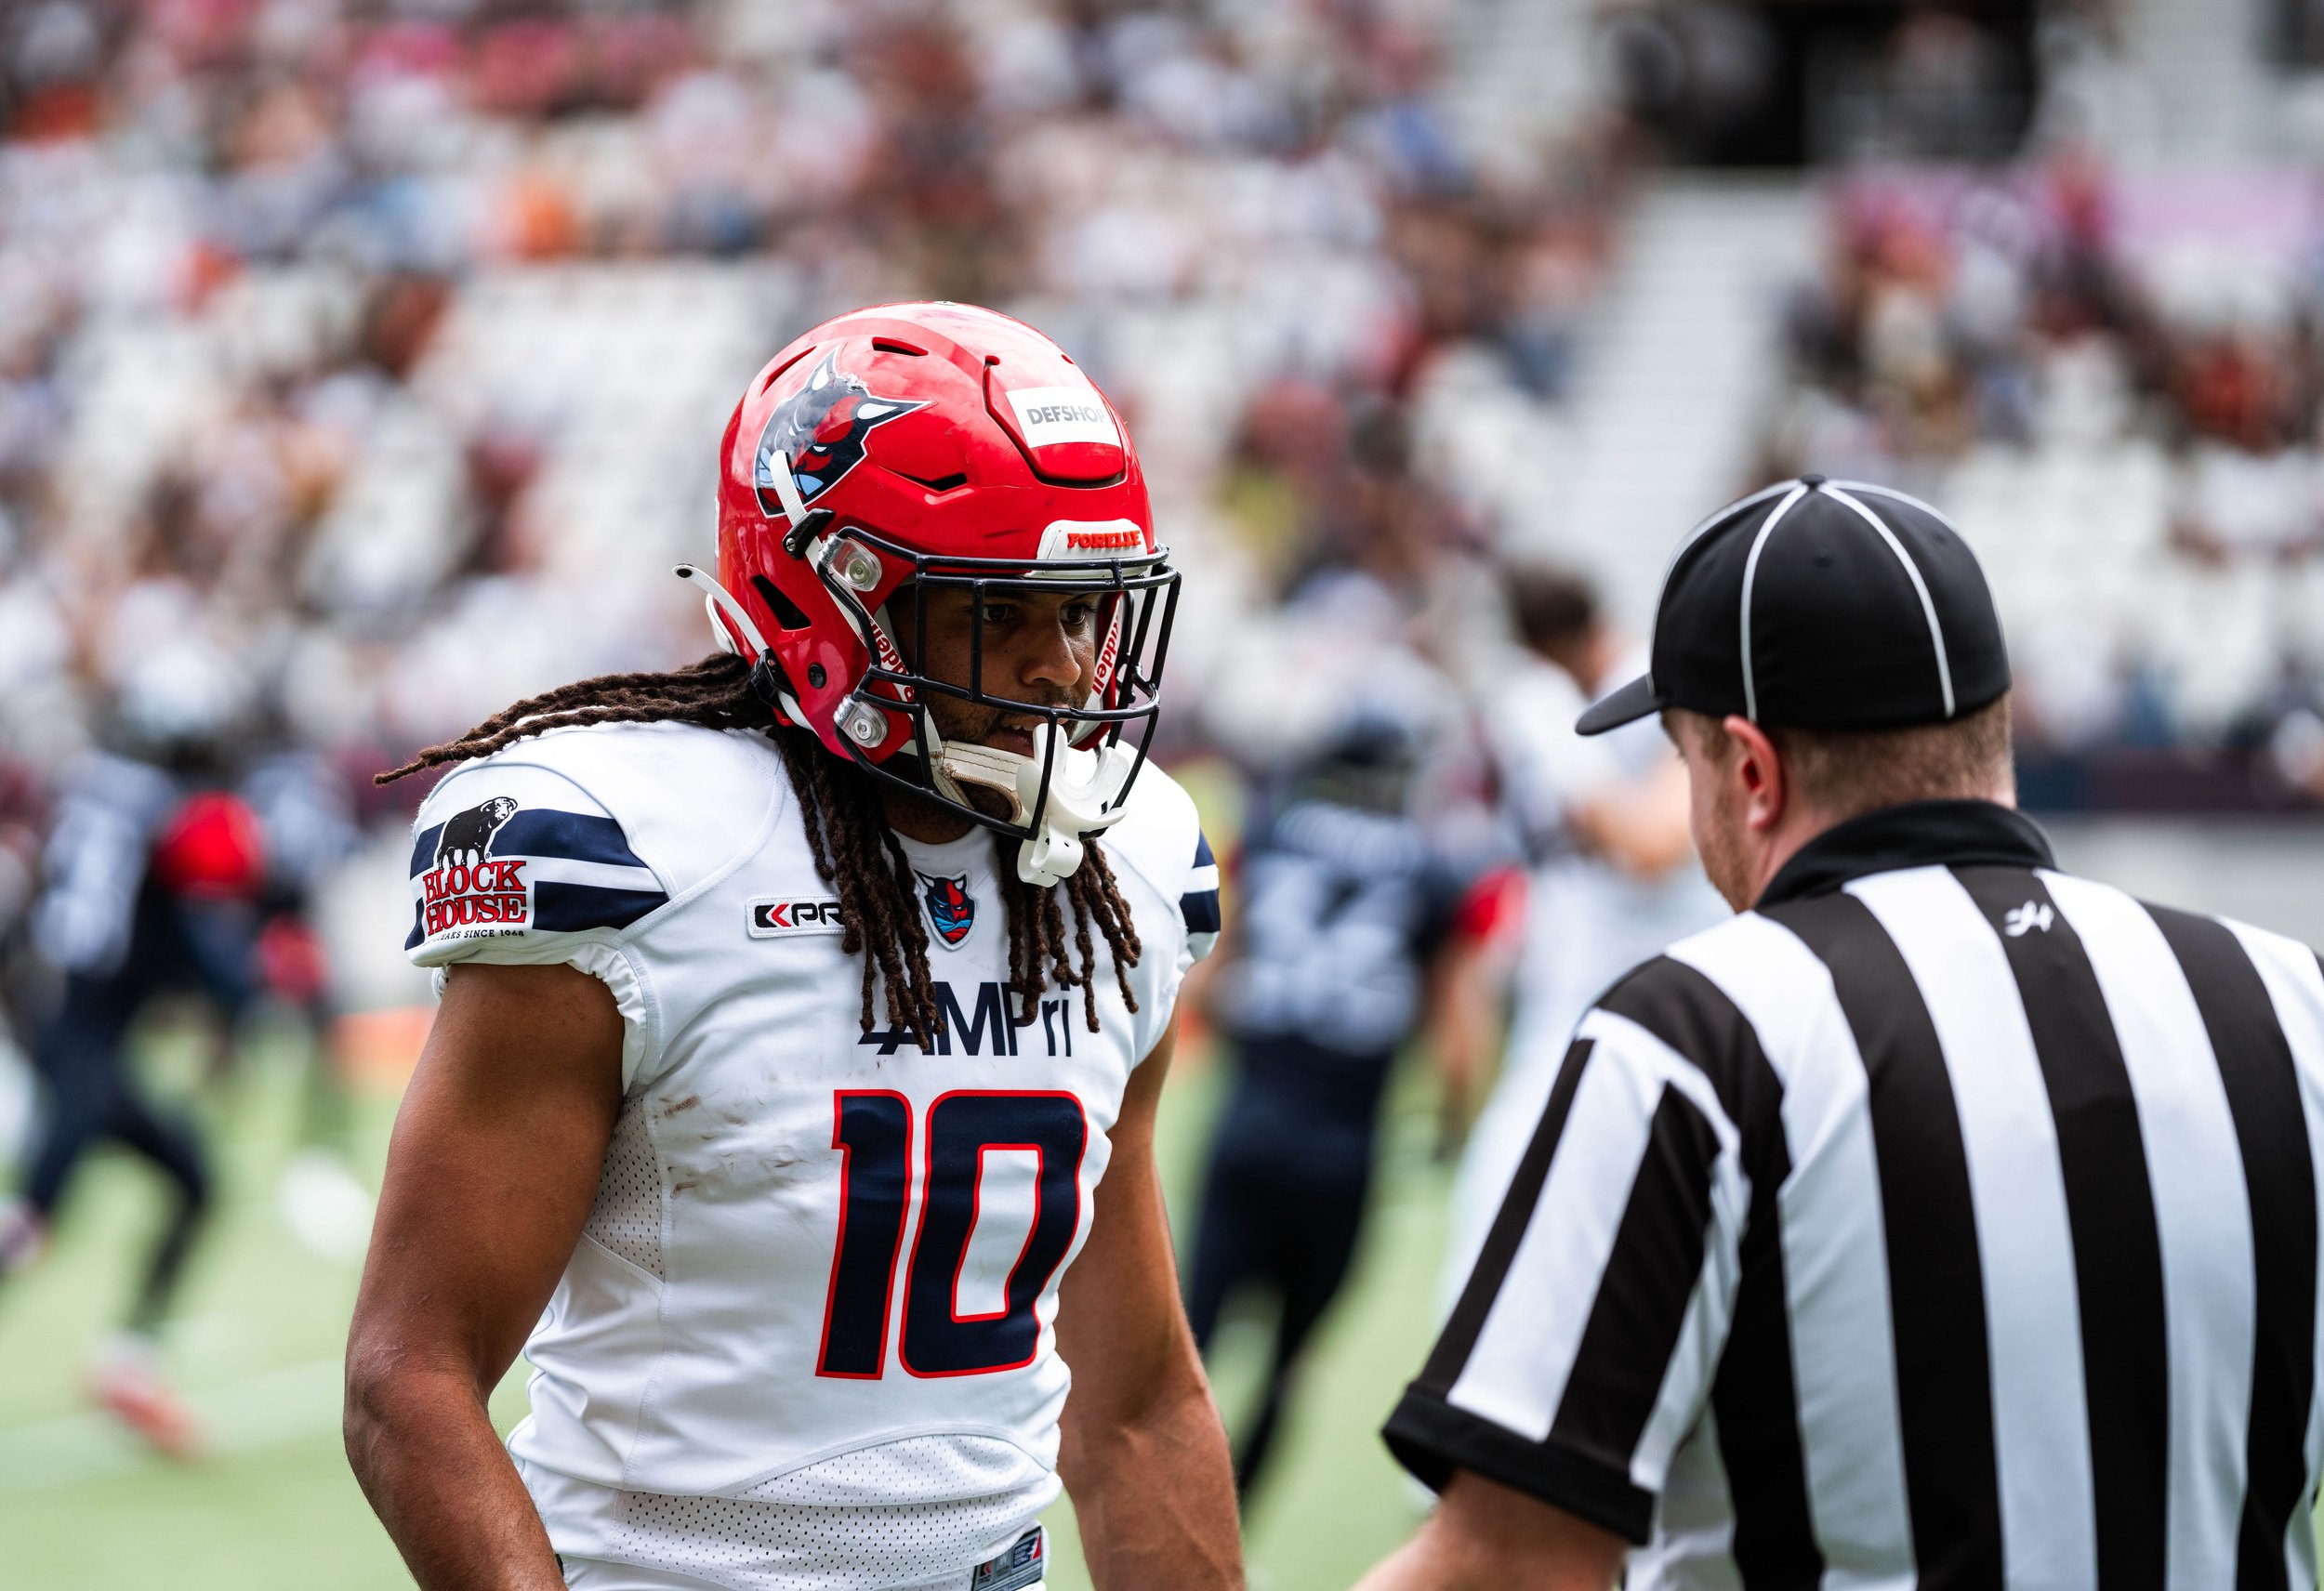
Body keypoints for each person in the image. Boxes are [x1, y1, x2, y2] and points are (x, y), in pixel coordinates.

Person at [343, 302, 1243, 1591]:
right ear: (830, 595)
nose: (1059, 671)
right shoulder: (644, 853)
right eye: (1001, 616)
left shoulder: (1122, 873)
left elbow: (1139, 1403)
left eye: (1082, 609)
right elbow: (409, 1380)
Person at [1364, 475, 2324, 1589]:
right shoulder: (2288, 1001)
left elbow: (1509, 1568)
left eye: (1686, 763)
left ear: (1751, 773)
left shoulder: (1691, 1034)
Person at [1183, 703, 1495, 1499]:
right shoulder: (1433, 867)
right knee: (1290, 1365)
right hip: (1342, 1147)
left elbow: (1213, 980)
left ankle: (1162, 1514)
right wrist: (1458, 1121)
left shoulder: (1277, 831)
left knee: (1190, 1344)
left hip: (1248, 1122)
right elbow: (1460, 1024)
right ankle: (1232, 1527)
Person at [1441, 566, 1721, 1297]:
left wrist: (1556, 750)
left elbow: (1652, 846)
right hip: (1575, 1007)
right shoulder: (1561, 700)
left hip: (1671, 1013)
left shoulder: (1662, 692)